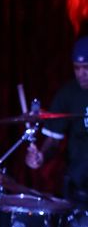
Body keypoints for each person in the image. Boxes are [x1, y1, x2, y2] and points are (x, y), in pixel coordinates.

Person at [25, 35, 88, 207]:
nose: (81, 74)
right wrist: (41, 156)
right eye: (77, 68)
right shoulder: (67, 94)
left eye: (86, 68)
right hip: (79, 183)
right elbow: (53, 140)